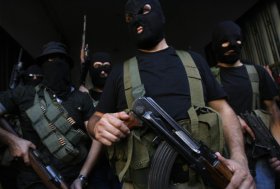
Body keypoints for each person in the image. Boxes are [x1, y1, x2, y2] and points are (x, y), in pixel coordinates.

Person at [87, 0, 255, 189]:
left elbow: (224, 111)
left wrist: (240, 159)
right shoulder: (119, 73)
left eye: (144, 11)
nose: (136, 20)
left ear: (161, 15)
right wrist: (99, 126)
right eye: (129, 18)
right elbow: (95, 119)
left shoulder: (195, 62)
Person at [0, 41, 96, 189]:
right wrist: (12, 140)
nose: (55, 64)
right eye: (49, 60)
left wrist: (82, 177)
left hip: (72, 181)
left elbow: (97, 139)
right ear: (42, 66)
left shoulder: (81, 98)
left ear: (68, 66)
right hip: (32, 179)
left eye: (60, 60)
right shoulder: (25, 94)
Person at [210, 20, 280, 189]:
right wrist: (234, 120)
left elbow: (275, 115)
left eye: (236, 41)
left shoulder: (258, 72)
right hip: (228, 156)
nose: (231, 46)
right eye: (225, 42)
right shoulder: (209, 78)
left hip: (261, 154)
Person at [70, 52, 121, 189]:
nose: (102, 70)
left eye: (106, 66)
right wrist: (84, 68)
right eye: (97, 66)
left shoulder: (119, 96)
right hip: (94, 164)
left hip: (119, 160)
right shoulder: (84, 97)